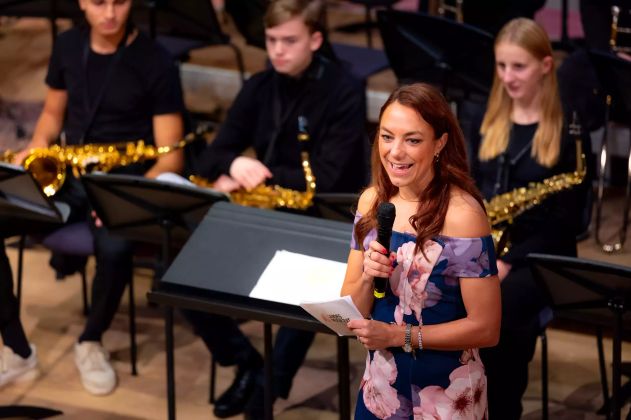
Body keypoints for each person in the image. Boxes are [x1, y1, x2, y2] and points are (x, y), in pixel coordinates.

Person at [184, 0, 367, 418]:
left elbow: (330, 176)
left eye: (289, 41)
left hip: (322, 220)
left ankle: (265, 393)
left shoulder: (344, 90)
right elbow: (213, 155)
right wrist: (234, 163)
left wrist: (260, 177)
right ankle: (246, 363)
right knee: (182, 271)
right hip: (267, 214)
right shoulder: (260, 85)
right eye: (271, 40)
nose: (278, 51)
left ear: (315, 40)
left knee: (307, 295)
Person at [5, 0, 185, 395]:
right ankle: (16, 347)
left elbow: (171, 156)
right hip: (70, 173)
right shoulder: (68, 45)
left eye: (119, 2)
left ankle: (90, 339)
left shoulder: (155, 60)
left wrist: (129, 200)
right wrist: (35, 149)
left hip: (124, 179)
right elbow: (53, 115)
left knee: (115, 247)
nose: (110, 13)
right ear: (82, 3)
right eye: (99, 2)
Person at [341, 83, 501, 419]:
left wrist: (398, 335)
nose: (395, 152)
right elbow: (350, 309)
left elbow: (486, 328)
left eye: (412, 140)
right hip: (380, 391)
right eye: (387, 137)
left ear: (439, 143)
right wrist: (369, 276)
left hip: (447, 394)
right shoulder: (371, 202)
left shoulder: (463, 216)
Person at [467, 18, 589, 419]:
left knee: (502, 313)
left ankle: (502, 409)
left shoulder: (569, 130)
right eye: (501, 66)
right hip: (485, 244)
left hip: (540, 257)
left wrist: (507, 261)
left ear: (545, 66)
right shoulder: (486, 117)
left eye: (518, 66)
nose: (507, 77)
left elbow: (567, 222)